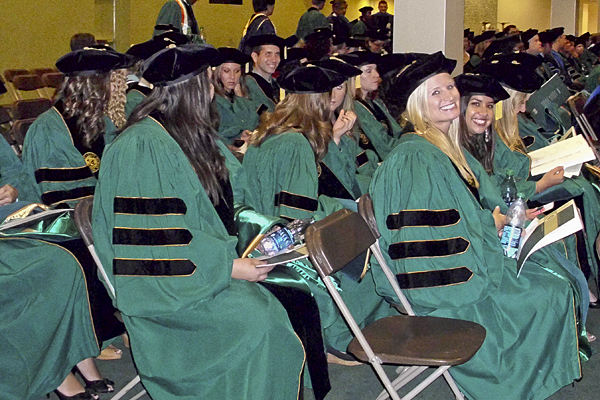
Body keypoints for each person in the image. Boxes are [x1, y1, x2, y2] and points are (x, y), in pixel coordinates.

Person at [92, 44, 305, 400]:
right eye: (206, 82)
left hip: (196, 274)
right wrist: (230, 267)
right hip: (165, 294)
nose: (212, 90)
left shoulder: (181, 133)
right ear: (188, 90)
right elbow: (158, 244)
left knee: (286, 296)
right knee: (260, 320)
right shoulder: (142, 146)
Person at [372, 51, 583, 400]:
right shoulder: (415, 158)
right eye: (435, 92)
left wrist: (493, 223)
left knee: (550, 281)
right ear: (416, 105)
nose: (449, 96)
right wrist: (491, 224)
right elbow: (426, 241)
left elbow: (454, 217)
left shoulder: (441, 145)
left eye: (450, 87)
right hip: (445, 287)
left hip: (466, 266)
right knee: (548, 292)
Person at [243, 63, 394, 362]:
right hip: (280, 246)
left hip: (256, 235)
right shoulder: (296, 143)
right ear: (318, 102)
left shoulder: (268, 132)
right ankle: (338, 337)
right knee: (371, 252)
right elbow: (297, 217)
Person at [453, 72, 593, 341]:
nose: (484, 112)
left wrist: (515, 213)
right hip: (481, 239)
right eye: (476, 104)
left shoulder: (484, 138)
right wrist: (526, 199)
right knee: (551, 271)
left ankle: (573, 320)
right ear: (460, 108)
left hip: (501, 217)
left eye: (489, 106)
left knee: (558, 237)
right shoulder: (454, 148)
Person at [22, 47, 133, 207]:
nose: (123, 88)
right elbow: (65, 199)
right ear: (95, 85)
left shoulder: (102, 121)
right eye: (114, 82)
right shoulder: (49, 130)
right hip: (73, 217)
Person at [340, 51, 403, 161]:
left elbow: (396, 131)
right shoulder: (355, 108)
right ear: (355, 77)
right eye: (368, 71)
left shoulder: (375, 102)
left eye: (376, 70)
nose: (377, 75)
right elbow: (381, 142)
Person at [213, 47, 262, 145]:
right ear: (218, 72)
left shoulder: (243, 92)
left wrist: (240, 96)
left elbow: (255, 122)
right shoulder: (214, 100)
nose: (232, 77)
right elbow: (247, 125)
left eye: (237, 71)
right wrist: (238, 134)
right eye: (226, 71)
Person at [245, 34, 284, 112]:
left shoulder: (277, 84)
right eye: (268, 54)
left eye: (277, 54)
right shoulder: (246, 85)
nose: (274, 60)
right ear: (255, 57)